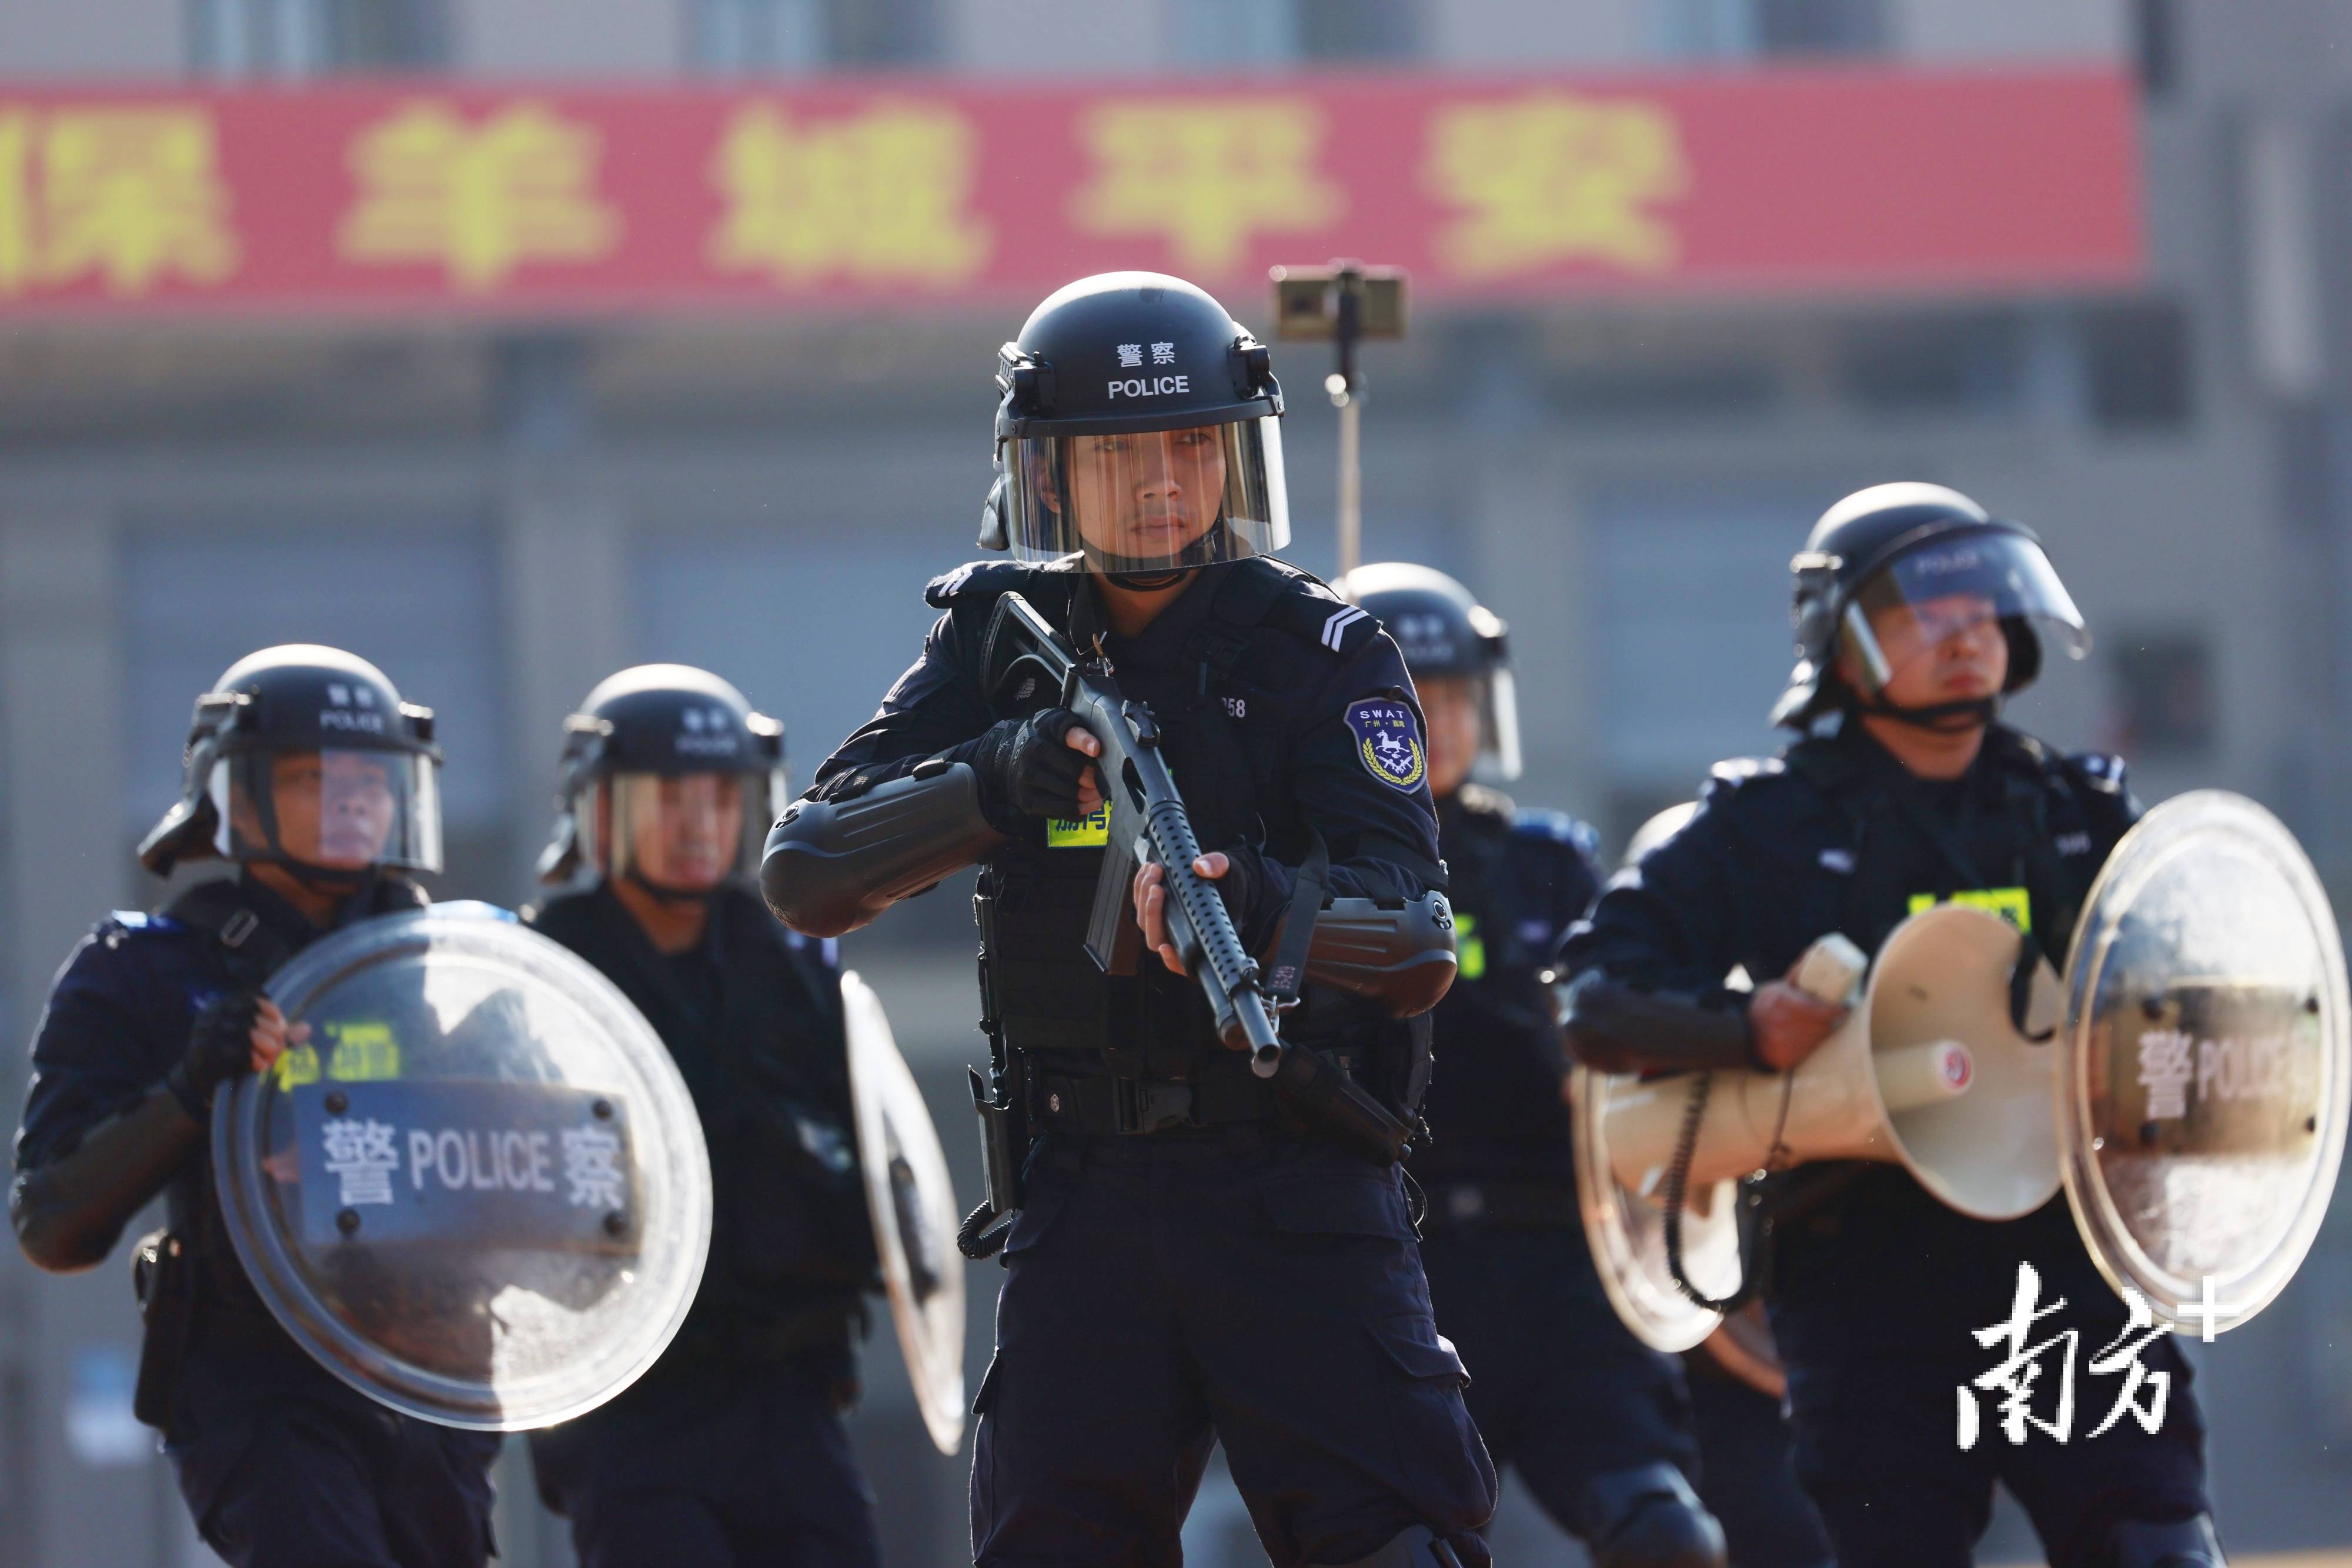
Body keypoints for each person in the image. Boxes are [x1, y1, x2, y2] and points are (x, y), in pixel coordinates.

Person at [763, 271, 1495, 1568]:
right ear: (1050, 472)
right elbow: (808, 870)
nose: (1162, 478)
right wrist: (995, 781)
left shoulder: (1321, 650)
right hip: (1083, 1196)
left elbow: (1416, 939)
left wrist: (1260, 908)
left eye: (1190, 442)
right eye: (1119, 451)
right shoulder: (996, 637)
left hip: (1293, 1186)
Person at [1557, 484, 2223, 1568]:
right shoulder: (1762, 827)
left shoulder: (2080, 813)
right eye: (1926, 614)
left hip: (2071, 1271)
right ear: (1841, 642)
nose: (1967, 638)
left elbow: (2197, 995)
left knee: (2157, 1548)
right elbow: (1595, 998)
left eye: (1984, 612)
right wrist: (1744, 1028)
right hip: (1868, 1280)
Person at [9, 646, 498, 1568]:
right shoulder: (143, 971)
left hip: (431, 1384)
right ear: (234, 798)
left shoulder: (458, 968)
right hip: (260, 1388)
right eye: (315, 777)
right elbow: (51, 1223)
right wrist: (194, 1092)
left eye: (373, 778)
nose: (354, 799)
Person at [1337, 563, 1727, 1568]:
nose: (1443, 724)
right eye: (1410, 704)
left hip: (1559, 1266)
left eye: (1458, 697)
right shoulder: (1302, 871)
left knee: (1668, 1535)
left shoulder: (1551, 864)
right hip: (1387, 1271)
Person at [523, 664, 881, 1568]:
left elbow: (871, 1154)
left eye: (719, 800)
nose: (697, 826)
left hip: (788, 1391)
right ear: (600, 812)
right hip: (624, 1400)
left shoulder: (796, 969)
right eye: (667, 799)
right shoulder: (538, 975)